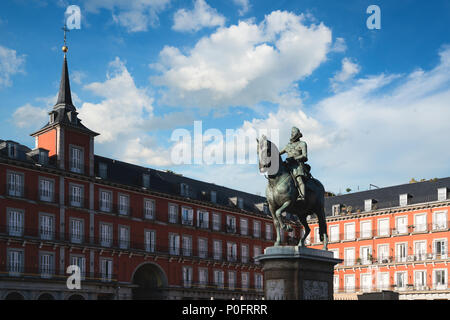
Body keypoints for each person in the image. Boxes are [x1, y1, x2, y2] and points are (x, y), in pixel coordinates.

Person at [279, 127, 310, 201]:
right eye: (291, 133)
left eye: (294, 133)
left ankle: (302, 195)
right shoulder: (288, 145)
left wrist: (294, 158)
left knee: (299, 179)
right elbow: (279, 153)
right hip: (287, 165)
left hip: (297, 165)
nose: (292, 135)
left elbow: (305, 156)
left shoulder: (302, 144)